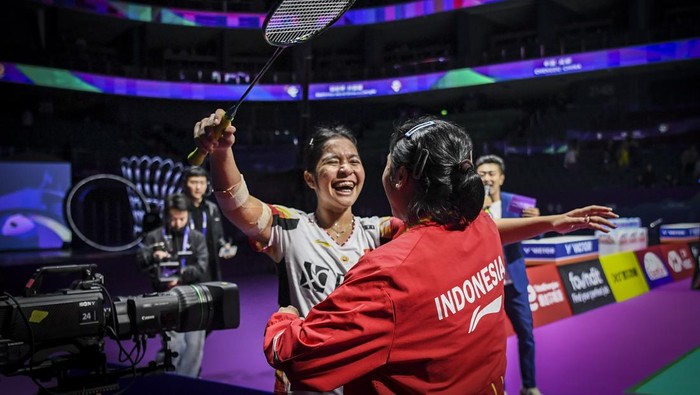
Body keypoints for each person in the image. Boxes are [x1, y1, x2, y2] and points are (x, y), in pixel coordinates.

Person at [193, 109, 618, 394]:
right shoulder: (291, 227)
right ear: (309, 178)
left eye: (355, 160)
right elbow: (237, 204)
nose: (346, 169)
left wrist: (554, 222)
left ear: (389, 176)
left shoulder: (381, 234)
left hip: (348, 368)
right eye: (332, 161)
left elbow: (470, 231)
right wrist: (223, 151)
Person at [263, 117, 507, 393]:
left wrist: (284, 320)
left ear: (400, 177)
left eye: (387, 163)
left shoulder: (388, 272)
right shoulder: (484, 226)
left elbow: (298, 359)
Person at [476, 154, 541, 395]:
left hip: (514, 284)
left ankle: (529, 386)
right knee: (487, 343)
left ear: (501, 178)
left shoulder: (516, 203)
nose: (487, 178)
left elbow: (536, 234)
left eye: (491, 173)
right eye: (481, 174)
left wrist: (536, 222)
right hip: (485, 286)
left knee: (526, 336)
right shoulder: (471, 205)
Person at [138, 193, 209, 378]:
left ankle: (189, 385)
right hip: (165, 298)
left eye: (182, 218)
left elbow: (202, 266)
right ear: (166, 216)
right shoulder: (155, 237)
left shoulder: (197, 238)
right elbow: (140, 261)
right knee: (173, 346)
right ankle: (166, 382)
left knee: (194, 347)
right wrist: (153, 255)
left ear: (188, 215)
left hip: (193, 296)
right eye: (173, 218)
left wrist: (181, 275)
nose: (177, 223)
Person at [181, 166, 237, 282]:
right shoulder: (178, 209)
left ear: (207, 185)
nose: (198, 187)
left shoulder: (211, 209)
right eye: (193, 182)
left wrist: (224, 247)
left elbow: (219, 237)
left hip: (209, 264)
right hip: (186, 264)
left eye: (202, 182)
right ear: (185, 184)